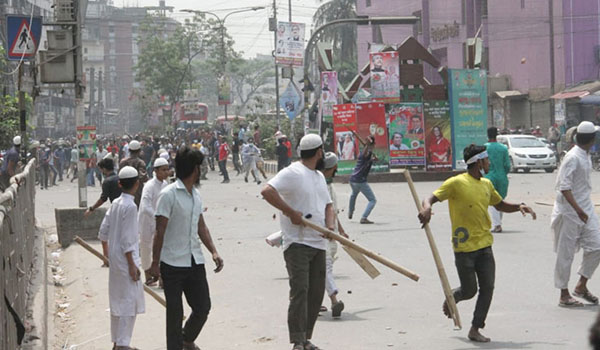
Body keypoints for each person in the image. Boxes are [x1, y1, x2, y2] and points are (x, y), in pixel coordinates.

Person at [418, 144, 536, 343]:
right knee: (470, 290)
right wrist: (427, 208)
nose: (489, 163)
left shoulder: (487, 185)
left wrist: (519, 206)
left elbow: (500, 204)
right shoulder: (456, 183)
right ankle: (453, 296)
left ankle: (475, 328)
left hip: (485, 246)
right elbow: (430, 197)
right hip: (464, 248)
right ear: (478, 162)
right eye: (487, 159)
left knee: (488, 288)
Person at [261, 134, 335, 350]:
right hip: (298, 244)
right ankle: (297, 341)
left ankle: (306, 338)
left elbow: (328, 205)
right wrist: (290, 212)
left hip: (318, 243)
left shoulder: (319, 176)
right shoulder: (293, 172)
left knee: (316, 294)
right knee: (300, 291)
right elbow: (267, 190)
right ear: (319, 152)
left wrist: (330, 228)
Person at [149, 146, 224, 350]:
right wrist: (154, 264)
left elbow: (201, 226)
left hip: (194, 260)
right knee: (174, 313)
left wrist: (214, 251)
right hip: (171, 263)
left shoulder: (195, 195)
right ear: (195, 169)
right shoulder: (168, 195)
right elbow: (159, 231)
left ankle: (186, 338)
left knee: (203, 307)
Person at [552, 121, 600, 308]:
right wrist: (578, 210)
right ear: (591, 139)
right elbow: (564, 187)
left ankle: (581, 286)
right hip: (570, 212)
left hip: (585, 209)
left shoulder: (585, 155)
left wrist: (584, 210)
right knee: (566, 254)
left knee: (596, 246)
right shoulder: (572, 157)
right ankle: (564, 293)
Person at [98, 166, 145, 350]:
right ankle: (123, 344)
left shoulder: (116, 203)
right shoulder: (130, 207)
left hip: (116, 259)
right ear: (136, 184)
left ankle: (117, 341)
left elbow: (103, 231)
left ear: (119, 184)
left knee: (117, 300)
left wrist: (106, 254)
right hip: (126, 260)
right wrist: (132, 264)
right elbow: (127, 240)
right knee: (128, 302)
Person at [321, 152, 348, 318]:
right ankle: (334, 300)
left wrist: (340, 229)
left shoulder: (329, 185)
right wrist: (328, 228)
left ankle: (313, 303)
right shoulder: (318, 184)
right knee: (325, 268)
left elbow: (333, 210)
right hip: (321, 234)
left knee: (319, 272)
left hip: (332, 233)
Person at [138, 157, 169, 286]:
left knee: (161, 247)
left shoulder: (165, 185)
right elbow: (145, 207)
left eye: (167, 169)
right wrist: (156, 216)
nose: (166, 172)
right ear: (156, 171)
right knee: (146, 248)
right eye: (163, 170)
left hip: (159, 222)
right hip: (147, 221)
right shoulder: (149, 186)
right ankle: (148, 276)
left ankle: (162, 278)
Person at [485, 127, 511, 233]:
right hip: (502, 176)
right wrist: (503, 173)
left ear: (487, 135)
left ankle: (497, 224)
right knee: (500, 200)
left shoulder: (484, 148)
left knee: (492, 201)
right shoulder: (503, 148)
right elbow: (507, 165)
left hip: (489, 177)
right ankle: (498, 222)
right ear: (497, 135)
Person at [348, 135, 377, 224]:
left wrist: (373, 159)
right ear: (374, 144)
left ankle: (350, 211)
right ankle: (364, 217)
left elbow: (366, 159)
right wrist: (368, 145)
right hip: (360, 180)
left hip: (353, 179)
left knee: (354, 194)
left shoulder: (367, 153)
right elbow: (365, 155)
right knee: (372, 200)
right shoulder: (366, 152)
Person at [119, 140, 148, 207]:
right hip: (137, 191)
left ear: (129, 150)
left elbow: (120, 176)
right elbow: (143, 177)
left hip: (124, 190)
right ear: (139, 150)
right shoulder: (141, 162)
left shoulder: (123, 162)